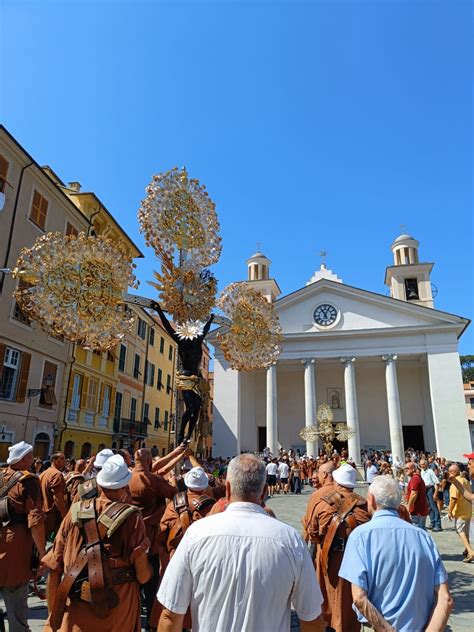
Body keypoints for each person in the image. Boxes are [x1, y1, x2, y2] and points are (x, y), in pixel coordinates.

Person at [157, 453, 325, 631]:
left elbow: (170, 614)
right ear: (265, 491)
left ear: (227, 489)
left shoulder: (196, 534)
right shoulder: (291, 540)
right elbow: (312, 618)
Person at [43, 455, 152, 632]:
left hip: (75, 609)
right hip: (117, 609)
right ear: (125, 487)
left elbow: (54, 568)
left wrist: (53, 616)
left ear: (99, 485)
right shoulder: (132, 518)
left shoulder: (75, 512)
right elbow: (143, 576)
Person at [339, 476, 453, 631]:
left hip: (379, 627)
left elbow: (359, 598)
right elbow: (445, 599)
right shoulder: (423, 537)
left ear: (371, 500)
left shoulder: (360, 536)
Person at [301, 462, 370, 632]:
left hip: (329, 558)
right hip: (357, 561)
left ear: (337, 483)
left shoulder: (322, 502)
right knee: (350, 600)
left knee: (329, 599)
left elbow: (312, 530)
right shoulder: (364, 506)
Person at [0, 441, 46, 632]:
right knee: (16, 600)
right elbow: (35, 521)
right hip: (15, 547)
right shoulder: (29, 481)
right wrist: (43, 553)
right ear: (26, 458)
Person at [128, 448, 178, 622]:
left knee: (130, 580)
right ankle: (151, 621)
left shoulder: (126, 478)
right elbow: (174, 494)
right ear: (149, 461)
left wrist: (176, 453)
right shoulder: (153, 480)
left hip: (127, 535)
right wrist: (172, 481)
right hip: (149, 536)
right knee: (151, 581)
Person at [154, 302, 213, 444]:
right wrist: (159, 311)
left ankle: (188, 436)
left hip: (197, 380)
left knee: (197, 409)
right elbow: (167, 327)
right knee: (191, 408)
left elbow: (205, 329)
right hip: (185, 378)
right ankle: (181, 434)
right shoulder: (181, 341)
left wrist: (210, 320)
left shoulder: (198, 340)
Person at [447, 463, 473, 563]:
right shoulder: (465, 480)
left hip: (460, 510)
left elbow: (453, 499)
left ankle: (470, 551)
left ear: (453, 472)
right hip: (468, 509)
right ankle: (467, 549)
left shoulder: (455, 483)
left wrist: (449, 511)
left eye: (449, 472)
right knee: (465, 531)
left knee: (460, 531)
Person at [39, 452, 68, 540]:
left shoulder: (44, 472)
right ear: (54, 460)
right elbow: (57, 498)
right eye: (62, 458)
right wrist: (64, 514)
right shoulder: (57, 474)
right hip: (51, 514)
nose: (65, 461)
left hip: (43, 511)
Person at [404, 462, 429, 529]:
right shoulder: (416, 478)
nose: (405, 470)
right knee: (421, 530)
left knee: (417, 530)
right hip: (420, 509)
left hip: (417, 510)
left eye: (407, 468)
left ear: (413, 469)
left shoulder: (415, 479)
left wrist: (408, 506)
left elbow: (414, 493)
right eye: (405, 469)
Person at [419, 458, 442, 531]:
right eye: (421, 464)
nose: (422, 466)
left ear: (426, 464)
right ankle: (432, 522)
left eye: (423, 464)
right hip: (424, 489)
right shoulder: (422, 471)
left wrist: (435, 493)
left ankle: (438, 524)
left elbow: (437, 482)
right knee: (429, 507)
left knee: (434, 507)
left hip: (430, 489)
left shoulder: (430, 471)